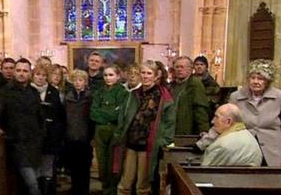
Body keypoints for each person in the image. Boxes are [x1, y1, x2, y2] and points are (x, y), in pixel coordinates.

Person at [0, 58, 45, 195]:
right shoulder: (3, 92)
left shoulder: (34, 93)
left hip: (34, 144)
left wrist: (42, 135)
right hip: (16, 144)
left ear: (30, 73)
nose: (21, 73)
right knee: (32, 184)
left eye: (25, 71)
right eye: (18, 70)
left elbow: (40, 117)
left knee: (27, 184)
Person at [114, 60, 176, 195]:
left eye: (149, 73)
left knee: (143, 185)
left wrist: (163, 141)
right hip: (131, 143)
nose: (146, 76)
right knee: (125, 182)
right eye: (143, 72)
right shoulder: (133, 94)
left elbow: (170, 122)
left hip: (148, 145)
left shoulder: (163, 96)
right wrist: (120, 133)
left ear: (156, 76)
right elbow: (123, 116)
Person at [229, 59, 281, 166]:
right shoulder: (236, 97)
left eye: (260, 79)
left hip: (272, 153)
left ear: (268, 81)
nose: (255, 82)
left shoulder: (279, 97)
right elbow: (226, 121)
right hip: (244, 150)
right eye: (252, 78)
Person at [90, 65, 128, 195]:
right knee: (102, 163)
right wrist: (108, 115)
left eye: (111, 75)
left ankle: (112, 189)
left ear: (118, 76)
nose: (108, 78)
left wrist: (106, 115)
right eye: (105, 75)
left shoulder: (122, 92)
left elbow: (120, 114)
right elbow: (93, 113)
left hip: (115, 131)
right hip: (100, 131)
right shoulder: (99, 92)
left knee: (113, 163)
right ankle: (105, 188)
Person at [31, 64, 64, 195]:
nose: (40, 78)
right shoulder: (28, 91)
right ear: (33, 76)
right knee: (35, 169)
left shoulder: (53, 91)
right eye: (38, 75)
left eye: (43, 75)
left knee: (47, 168)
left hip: (50, 137)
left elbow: (59, 115)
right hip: (33, 137)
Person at [64, 69, 93, 195]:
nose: (77, 83)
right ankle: (75, 188)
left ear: (85, 82)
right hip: (70, 136)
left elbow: (92, 118)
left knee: (84, 167)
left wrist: (91, 136)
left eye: (80, 80)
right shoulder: (67, 97)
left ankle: (84, 190)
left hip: (84, 136)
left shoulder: (90, 97)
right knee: (73, 166)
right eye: (75, 80)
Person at [169, 56, 210, 135]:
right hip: (172, 128)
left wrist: (203, 129)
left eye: (182, 67)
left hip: (187, 128)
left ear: (190, 69)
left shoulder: (194, 84)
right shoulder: (172, 86)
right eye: (177, 67)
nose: (179, 69)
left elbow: (200, 107)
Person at [193, 56, 221, 123]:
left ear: (206, 67)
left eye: (202, 64)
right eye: (197, 64)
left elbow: (215, 99)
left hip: (207, 114)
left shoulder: (211, 83)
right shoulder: (190, 80)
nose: (199, 66)